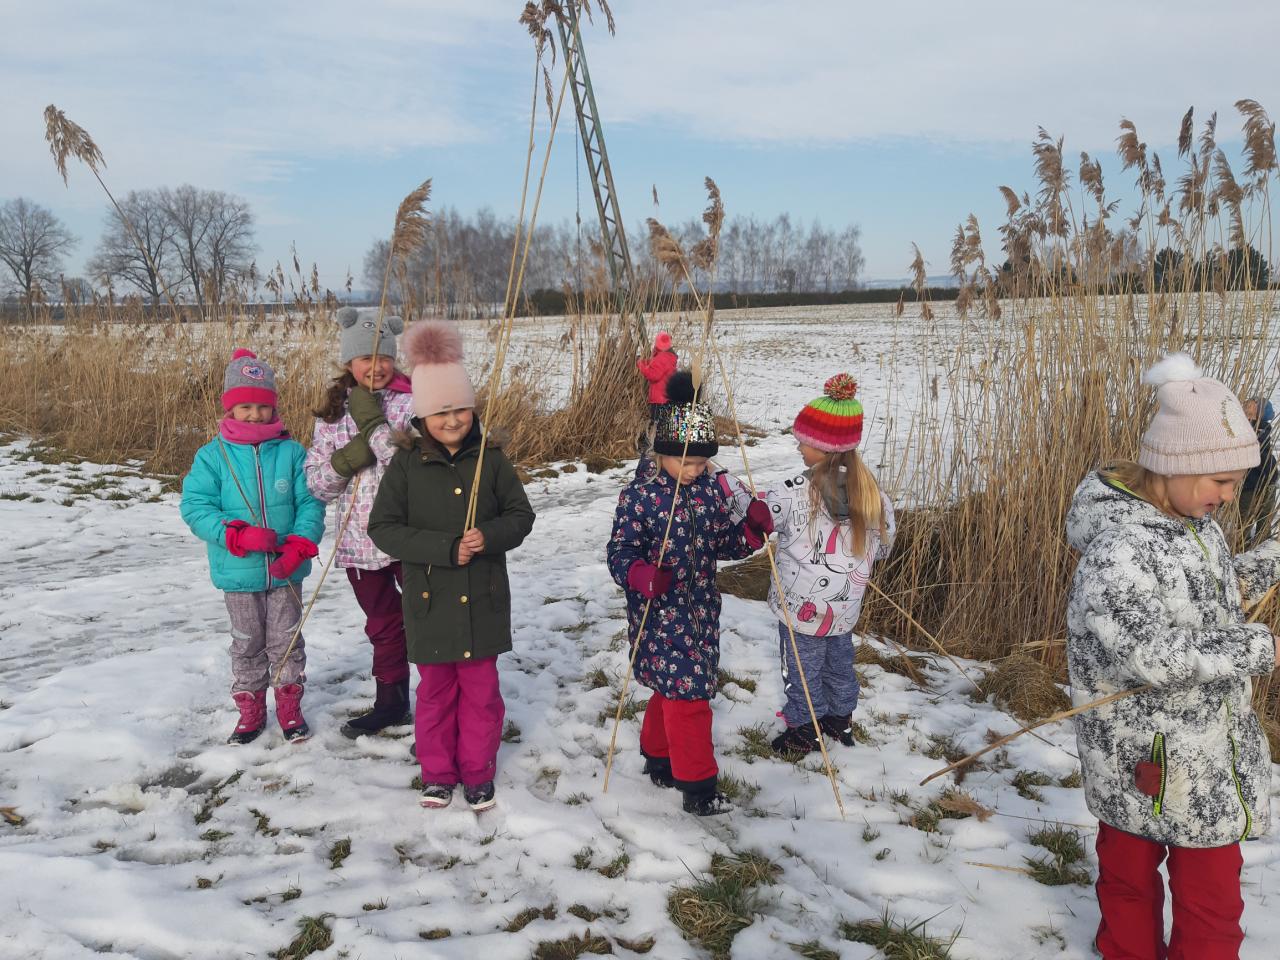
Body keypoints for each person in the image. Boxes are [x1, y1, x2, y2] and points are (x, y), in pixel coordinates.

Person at [1065, 353, 1280, 960]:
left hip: (1202, 750)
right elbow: (1150, 652)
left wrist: (1273, 558)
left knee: (1211, 897)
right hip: (1142, 757)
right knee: (1129, 880)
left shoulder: (1191, 523)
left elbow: (1212, 597)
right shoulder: (1120, 548)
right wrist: (1261, 646)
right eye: (1222, 482)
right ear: (1177, 464)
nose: (1229, 497)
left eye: (1235, 484)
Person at [368, 321, 535, 812]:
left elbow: (520, 516)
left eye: (460, 408)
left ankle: (478, 773)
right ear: (422, 415)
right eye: (440, 412)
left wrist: (490, 535)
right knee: (436, 694)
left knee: (482, 695)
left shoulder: (491, 460)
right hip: (430, 605)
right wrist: (444, 548)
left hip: (483, 603)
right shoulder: (405, 466)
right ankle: (438, 773)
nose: (452, 420)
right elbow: (384, 528)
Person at [606, 370, 772, 816]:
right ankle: (698, 787)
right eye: (688, 462)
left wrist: (751, 531)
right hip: (658, 612)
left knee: (673, 686)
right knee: (690, 695)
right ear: (663, 453)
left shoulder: (707, 493)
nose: (697, 470)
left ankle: (658, 756)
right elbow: (619, 552)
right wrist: (640, 574)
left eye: (702, 463)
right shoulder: (639, 497)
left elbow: (722, 544)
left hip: (700, 609)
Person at [721, 374, 895, 756]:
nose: (798, 445)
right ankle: (839, 719)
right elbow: (883, 548)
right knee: (839, 663)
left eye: (804, 440)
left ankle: (804, 730)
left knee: (801, 668)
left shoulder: (793, 492)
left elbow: (756, 516)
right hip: (844, 610)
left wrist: (726, 484)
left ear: (823, 446)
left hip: (800, 610)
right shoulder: (875, 496)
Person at [181, 349, 325, 745]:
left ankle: (290, 707)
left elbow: (310, 502)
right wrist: (235, 534)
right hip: (238, 571)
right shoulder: (213, 456)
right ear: (229, 408)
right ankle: (250, 710)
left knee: (287, 640)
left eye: (262, 407)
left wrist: (301, 543)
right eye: (245, 406)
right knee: (247, 643)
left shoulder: (292, 453)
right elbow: (195, 506)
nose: (254, 415)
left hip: (285, 570)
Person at [305, 307, 416, 738]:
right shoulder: (331, 416)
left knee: (426, 620)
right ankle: (391, 703)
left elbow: (415, 465)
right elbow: (317, 485)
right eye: (366, 357)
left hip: (409, 536)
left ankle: (441, 701)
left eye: (384, 356)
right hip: (359, 545)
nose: (377, 366)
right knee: (383, 626)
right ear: (349, 360)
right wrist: (346, 459)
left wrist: (375, 430)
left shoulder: (411, 404)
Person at [1239, 397, 1275, 546]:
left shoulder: (1262, 429)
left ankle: (1263, 545)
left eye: (1254, 402)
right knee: (1243, 517)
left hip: (1267, 478)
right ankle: (1241, 546)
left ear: (1259, 412)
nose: (1248, 401)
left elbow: (1258, 448)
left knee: (1264, 515)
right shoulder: (1241, 425)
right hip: (1249, 481)